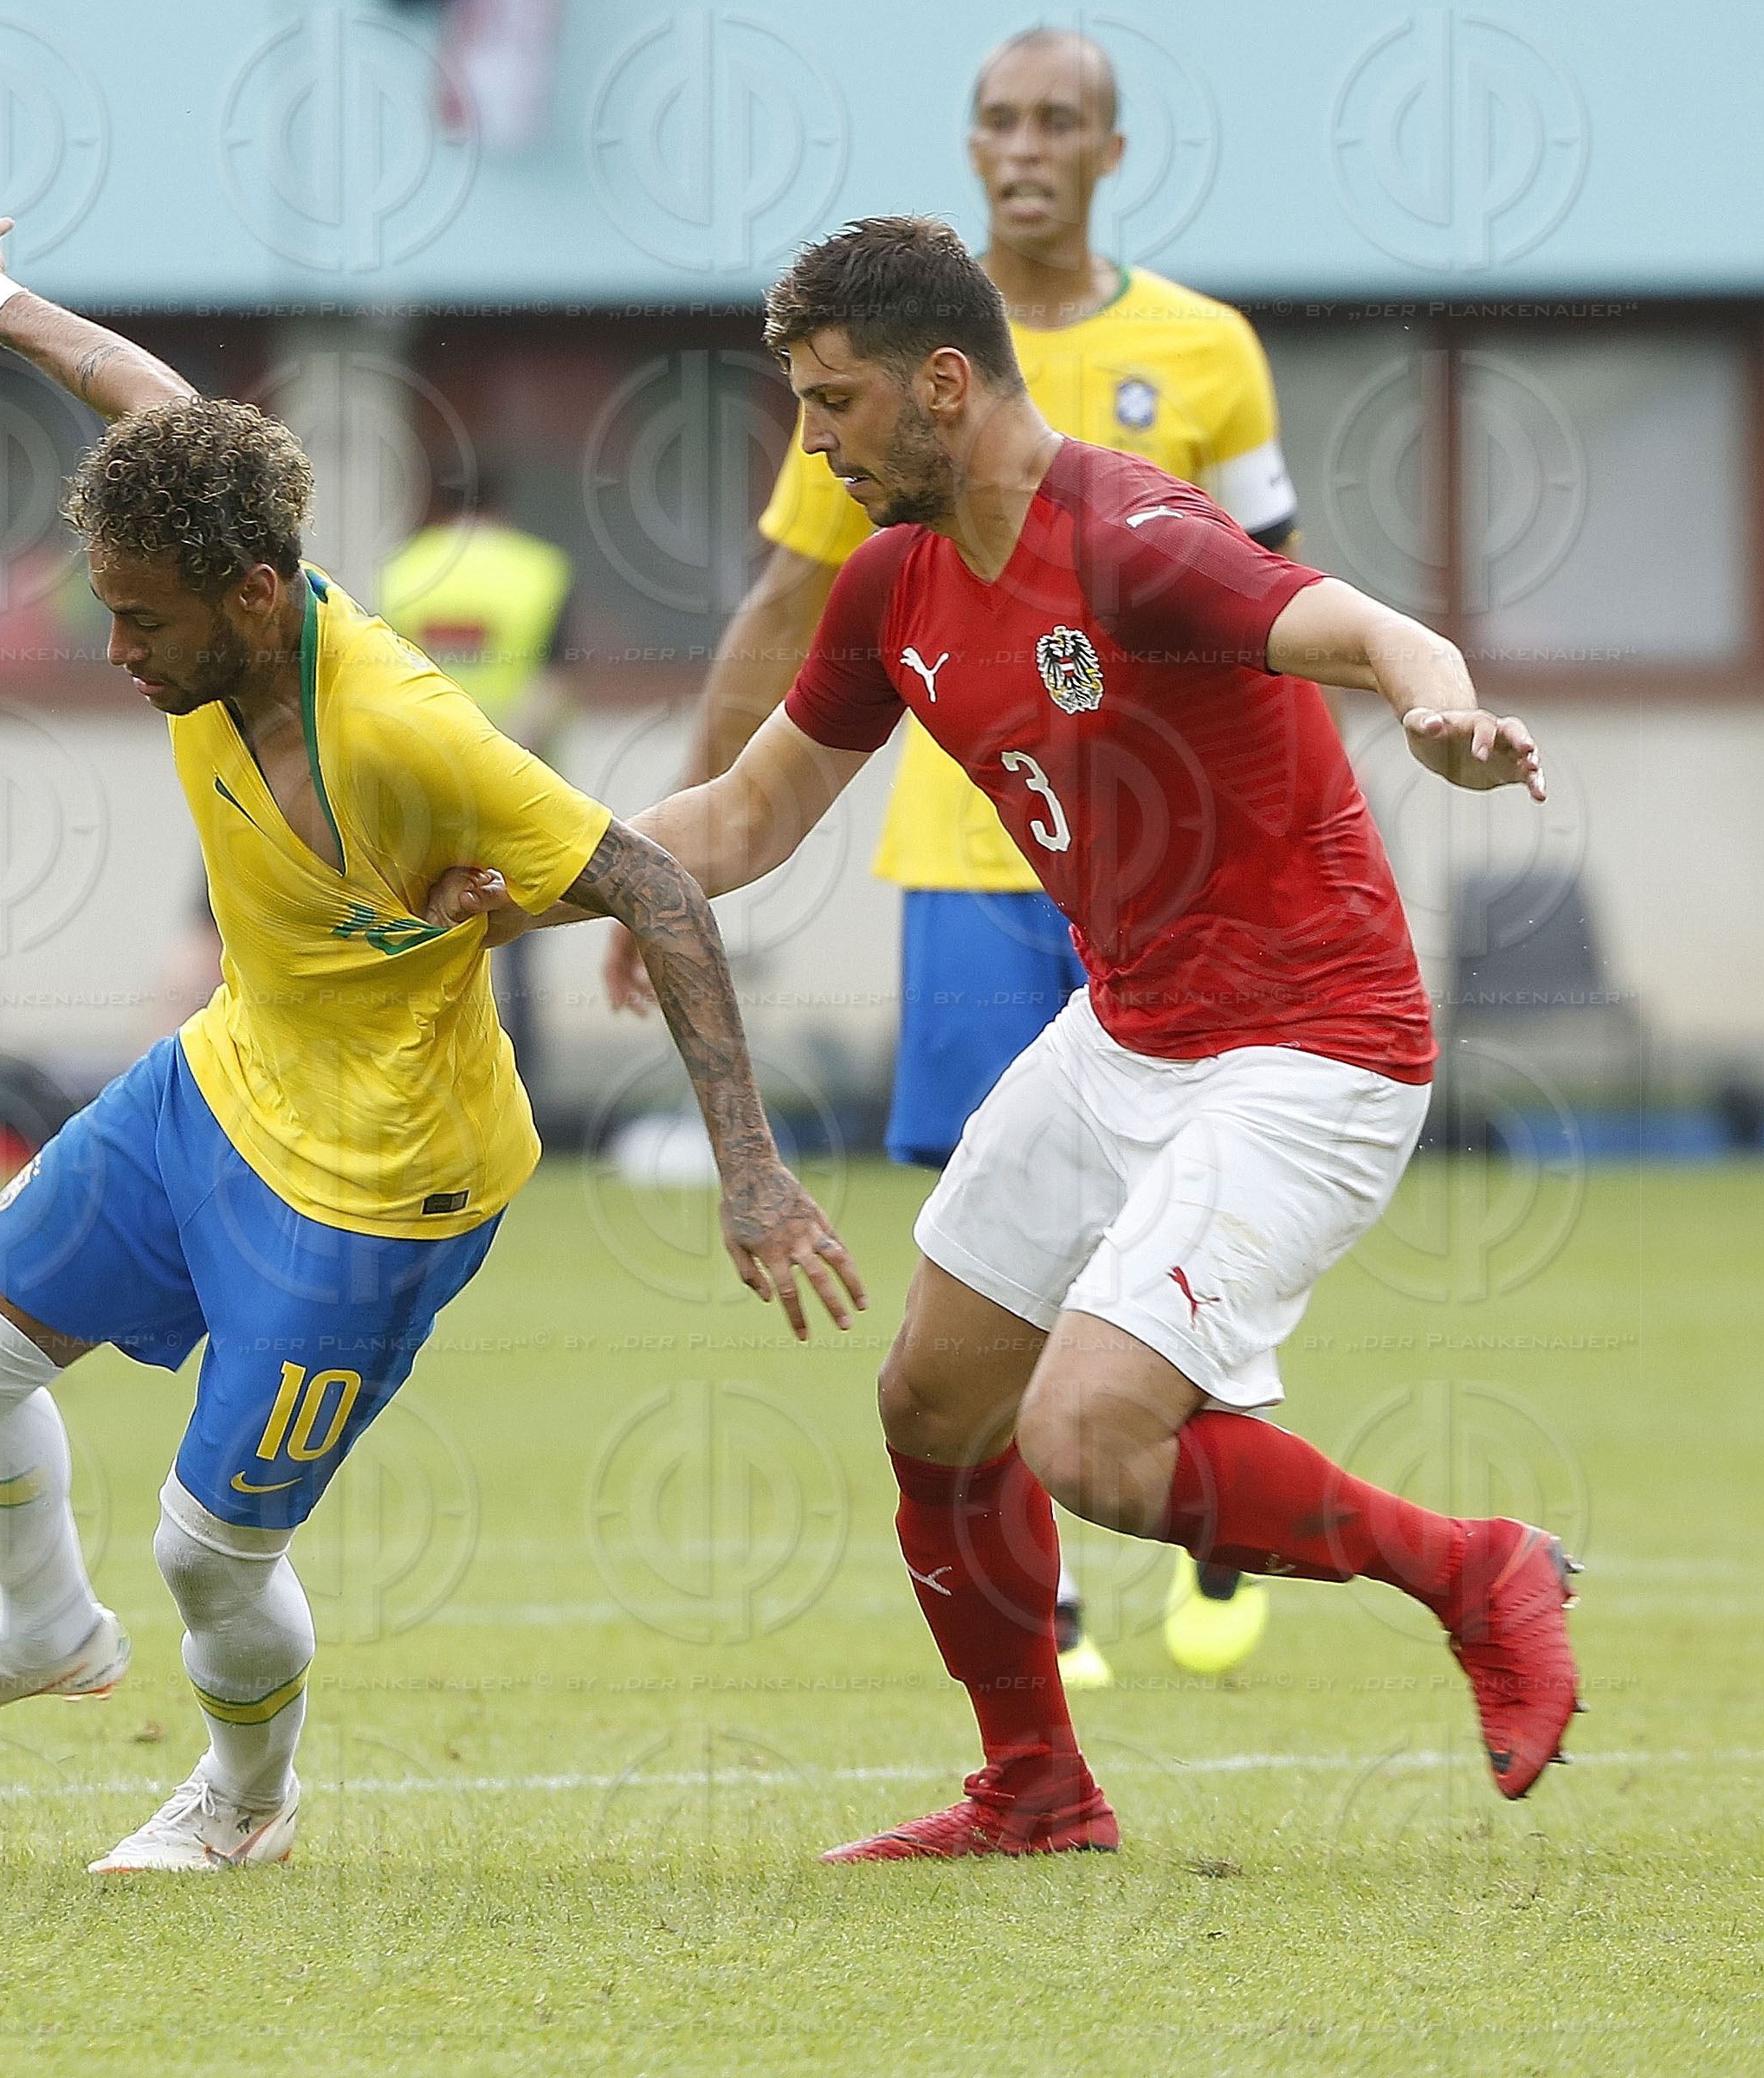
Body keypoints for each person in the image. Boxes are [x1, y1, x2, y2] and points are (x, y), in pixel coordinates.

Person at [432, 215, 1578, 1858]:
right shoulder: (892, 581)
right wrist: (527, 887)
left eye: (832, 405)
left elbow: (1357, 626)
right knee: (931, 1409)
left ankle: (1473, 1569)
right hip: (1124, 1037)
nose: (810, 443)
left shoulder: (1126, 536)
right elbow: (750, 813)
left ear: (944, 385)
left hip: (1306, 1053)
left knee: (1088, 1437)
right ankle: (1035, 1788)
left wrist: (1440, 708)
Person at [0, 216, 865, 1874]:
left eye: (143, 622)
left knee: (208, 1559)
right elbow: (147, 392)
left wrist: (750, 1177)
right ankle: (42, 1633)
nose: (119, 652)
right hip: (226, 1084)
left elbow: (658, 890)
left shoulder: (400, 727)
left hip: (380, 1185)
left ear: (253, 596)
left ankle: (244, 1806)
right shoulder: (216, 561)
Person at [603, 27, 1303, 1685]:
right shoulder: (868, 363)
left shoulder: (1203, 350)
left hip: (1179, 860)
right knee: (990, 1225)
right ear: (971, 144)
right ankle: (1044, 1593)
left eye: (1059, 120)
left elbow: (1277, 602)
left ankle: (1199, 1492)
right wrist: (658, 859)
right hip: (975, 850)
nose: (1025, 146)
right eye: (997, 120)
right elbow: (782, 604)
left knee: (1195, 1195)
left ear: (1110, 151)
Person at [379, 484, 576, 1093]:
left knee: (418, 923)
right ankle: (517, 1082)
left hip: (420, 783)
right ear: (502, 509)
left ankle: (415, 1072)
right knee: (514, 923)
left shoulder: (402, 570)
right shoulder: (541, 570)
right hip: (512, 778)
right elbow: (553, 684)